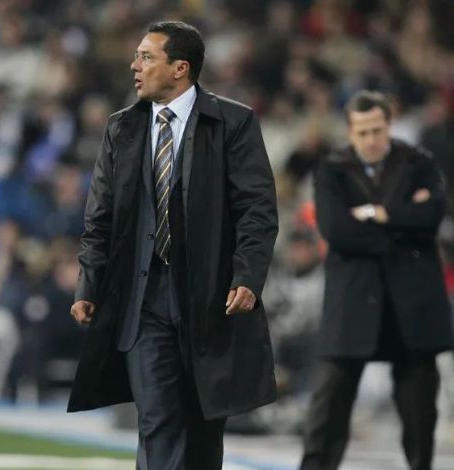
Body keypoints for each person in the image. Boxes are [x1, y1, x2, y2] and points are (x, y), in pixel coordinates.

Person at [68, 21, 279, 469]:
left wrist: (248, 276)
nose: (134, 66)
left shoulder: (233, 123)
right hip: (143, 300)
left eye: (146, 57)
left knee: (204, 430)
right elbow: (99, 219)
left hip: (210, 300)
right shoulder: (121, 129)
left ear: (180, 68)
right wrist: (89, 284)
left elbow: (256, 211)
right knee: (157, 420)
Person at [300, 90, 452, 470]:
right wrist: (402, 221)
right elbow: (337, 230)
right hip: (353, 304)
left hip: (412, 307)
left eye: (378, 129)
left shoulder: (420, 163)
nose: (371, 139)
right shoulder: (331, 169)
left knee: (420, 418)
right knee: (327, 412)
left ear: (390, 124)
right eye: (363, 132)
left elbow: (431, 217)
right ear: (350, 133)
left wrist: (377, 214)